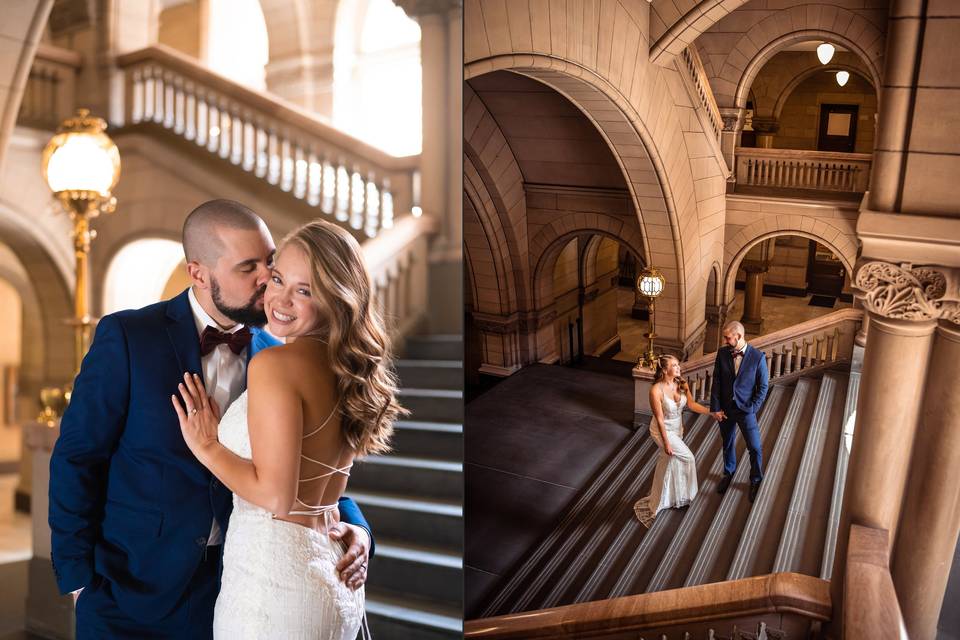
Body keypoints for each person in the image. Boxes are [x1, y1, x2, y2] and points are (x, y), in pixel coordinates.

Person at [49, 200, 373, 639]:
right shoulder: (128, 338)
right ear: (199, 274)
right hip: (128, 595)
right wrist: (78, 579)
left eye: (270, 263)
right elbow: (77, 458)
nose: (266, 282)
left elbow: (306, 463)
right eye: (248, 268)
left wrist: (355, 526)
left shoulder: (280, 356)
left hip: (234, 590)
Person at [173, 218, 402, 638]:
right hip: (330, 571)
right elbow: (315, 481)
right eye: (278, 279)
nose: (279, 298)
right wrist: (360, 533)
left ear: (337, 299)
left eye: (305, 290)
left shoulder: (275, 364)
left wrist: (208, 447)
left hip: (272, 586)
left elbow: (277, 496)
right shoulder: (345, 368)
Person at [633, 355, 715, 527]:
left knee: (669, 462)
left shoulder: (681, 383)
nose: (679, 368)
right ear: (664, 370)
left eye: (678, 364)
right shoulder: (656, 390)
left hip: (677, 429)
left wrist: (711, 413)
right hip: (663, 431)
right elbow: (660, 420)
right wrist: (667, 443)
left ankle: (669, 498)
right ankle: (690, 495)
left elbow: (691, 405)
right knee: (688, 458)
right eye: (674, 365)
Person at [710, 320, 769, 503]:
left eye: (728, 338)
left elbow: (763, 386)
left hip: (745, 410)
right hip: (725, 409)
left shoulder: (757, 357)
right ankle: (728, 473)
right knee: (727, 442)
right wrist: (716, 408)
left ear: (739, 336)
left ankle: (755, 480)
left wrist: (752, 407)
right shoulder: (722, 353)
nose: (726, 341)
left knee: (755, 447)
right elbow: (717, 382)